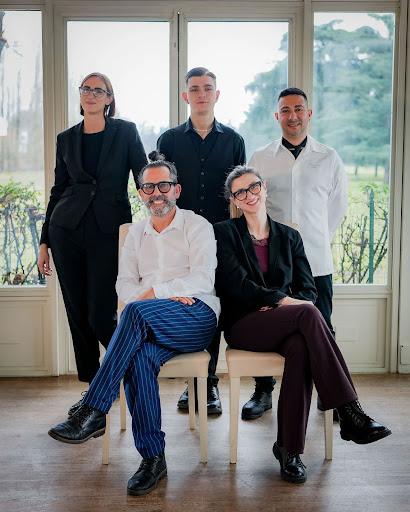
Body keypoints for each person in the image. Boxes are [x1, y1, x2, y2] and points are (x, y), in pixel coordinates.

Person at [48, 152, 220, 496]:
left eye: (164, 186)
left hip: (196, 315)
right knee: (139, 358)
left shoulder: (197, 225)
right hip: (151, 318)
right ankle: (153, 458)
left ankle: (94, 408)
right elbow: (123, 284)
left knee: (135, 312)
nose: (157, 193)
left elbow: (203, 278)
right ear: (140, 193)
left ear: (177, 189)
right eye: (148, 187)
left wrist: (155, 294)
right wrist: (155, 301)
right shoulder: (135, 233)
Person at [213, 165, 391, 484]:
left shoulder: (290, 236)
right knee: (308, 313)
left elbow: (308, 288)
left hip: (284, 323)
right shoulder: (224, 232)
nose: (249, 195)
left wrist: (280, 304)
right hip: (244, 324)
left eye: (253, 187)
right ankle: (350, 412)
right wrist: (282, 300)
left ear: (264, 188)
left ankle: (289, 449)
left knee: (301, 347)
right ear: (234, 200)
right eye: (240, 192)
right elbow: (235, 286)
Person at [158, 67, 273, 417]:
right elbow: (163, 190)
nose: (201, 94)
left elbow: (241, 192)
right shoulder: (169, 140)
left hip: (225, 238)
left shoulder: (234, 140)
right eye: (194, 89)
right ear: (186, 96)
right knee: (196, 307)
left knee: (234, 303)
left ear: (217, 95)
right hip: (185, 240)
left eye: (208, 88)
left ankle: (259, 386)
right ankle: (200, 383)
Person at [37, 72, 147, 414]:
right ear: (80, 95)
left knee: (101, 314)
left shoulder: (125, 131)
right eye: (86, 89)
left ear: (109, 98)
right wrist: (44, 242)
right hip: (65, 230)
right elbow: (58, 189)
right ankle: (93, 389)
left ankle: (127, 372)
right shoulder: (66, 138)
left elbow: (142, 176)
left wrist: (157, 222)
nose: (91, 94)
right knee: (77, 313)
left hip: (109, 231)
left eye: (99, 90)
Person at [249, 87, 348, 417]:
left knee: (323, 326)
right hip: (271, 262)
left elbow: (336, 207)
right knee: (266, 324)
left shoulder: (328, 157)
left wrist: (314, 239)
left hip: (316, 260)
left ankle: (328, 391)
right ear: (277, 116)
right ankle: (263, 391)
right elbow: (254, 206)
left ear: (309, 113)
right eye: (286, 110)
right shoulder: (260, 157)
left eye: (299, 109)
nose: (293, 116)